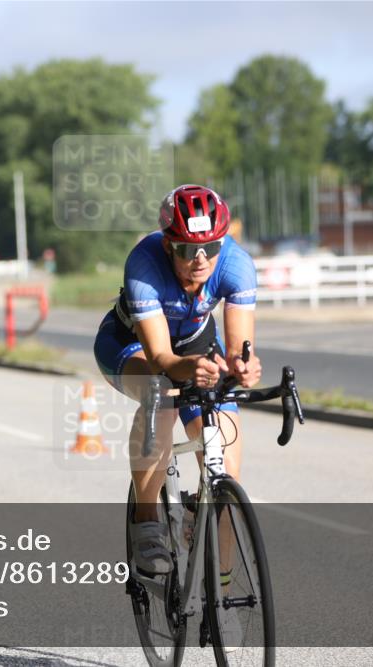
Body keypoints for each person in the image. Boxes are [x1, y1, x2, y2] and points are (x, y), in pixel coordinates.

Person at [93, 184, 262, 575]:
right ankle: (147, 520)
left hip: (198, 345)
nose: (201, 259)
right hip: (131, 346)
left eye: (211, 248)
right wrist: (193, 367)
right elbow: (161, 358)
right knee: (161, 392)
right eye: (188, 249)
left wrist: (245, 366)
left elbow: (238, 347)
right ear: (169, 245)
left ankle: (220, 603)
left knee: (225, 480)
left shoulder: (236, 264)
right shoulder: (145, 265)